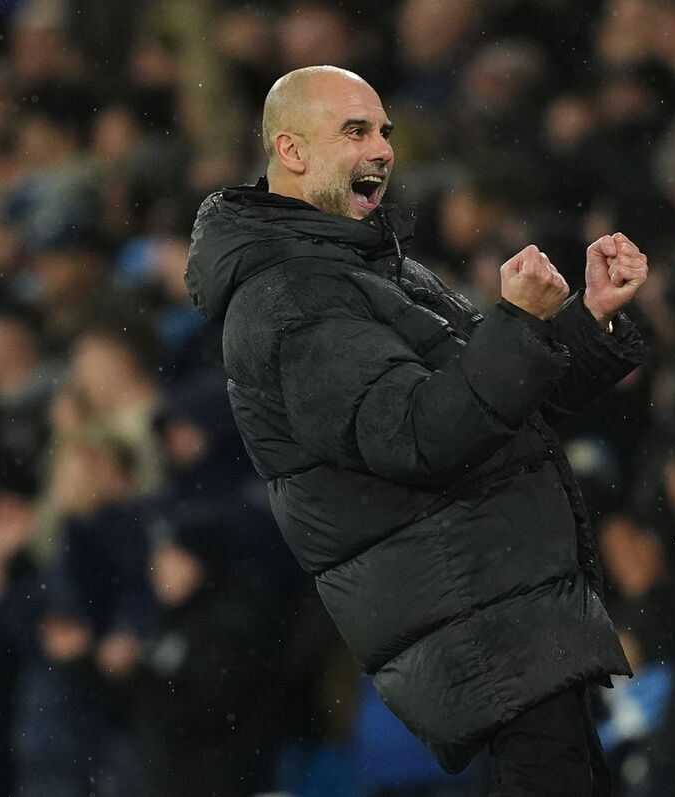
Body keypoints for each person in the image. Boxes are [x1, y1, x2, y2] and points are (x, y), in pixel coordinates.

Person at [184, 65, 649, 795]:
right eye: (355, 130)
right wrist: (517, 323)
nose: (382, 149)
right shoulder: (290, 294)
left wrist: (588, 318)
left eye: (385, 131)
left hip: (506, 604)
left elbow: (500, 402)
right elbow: (419, 433)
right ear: (293, 150)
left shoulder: (357, 266)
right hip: (476, 610)